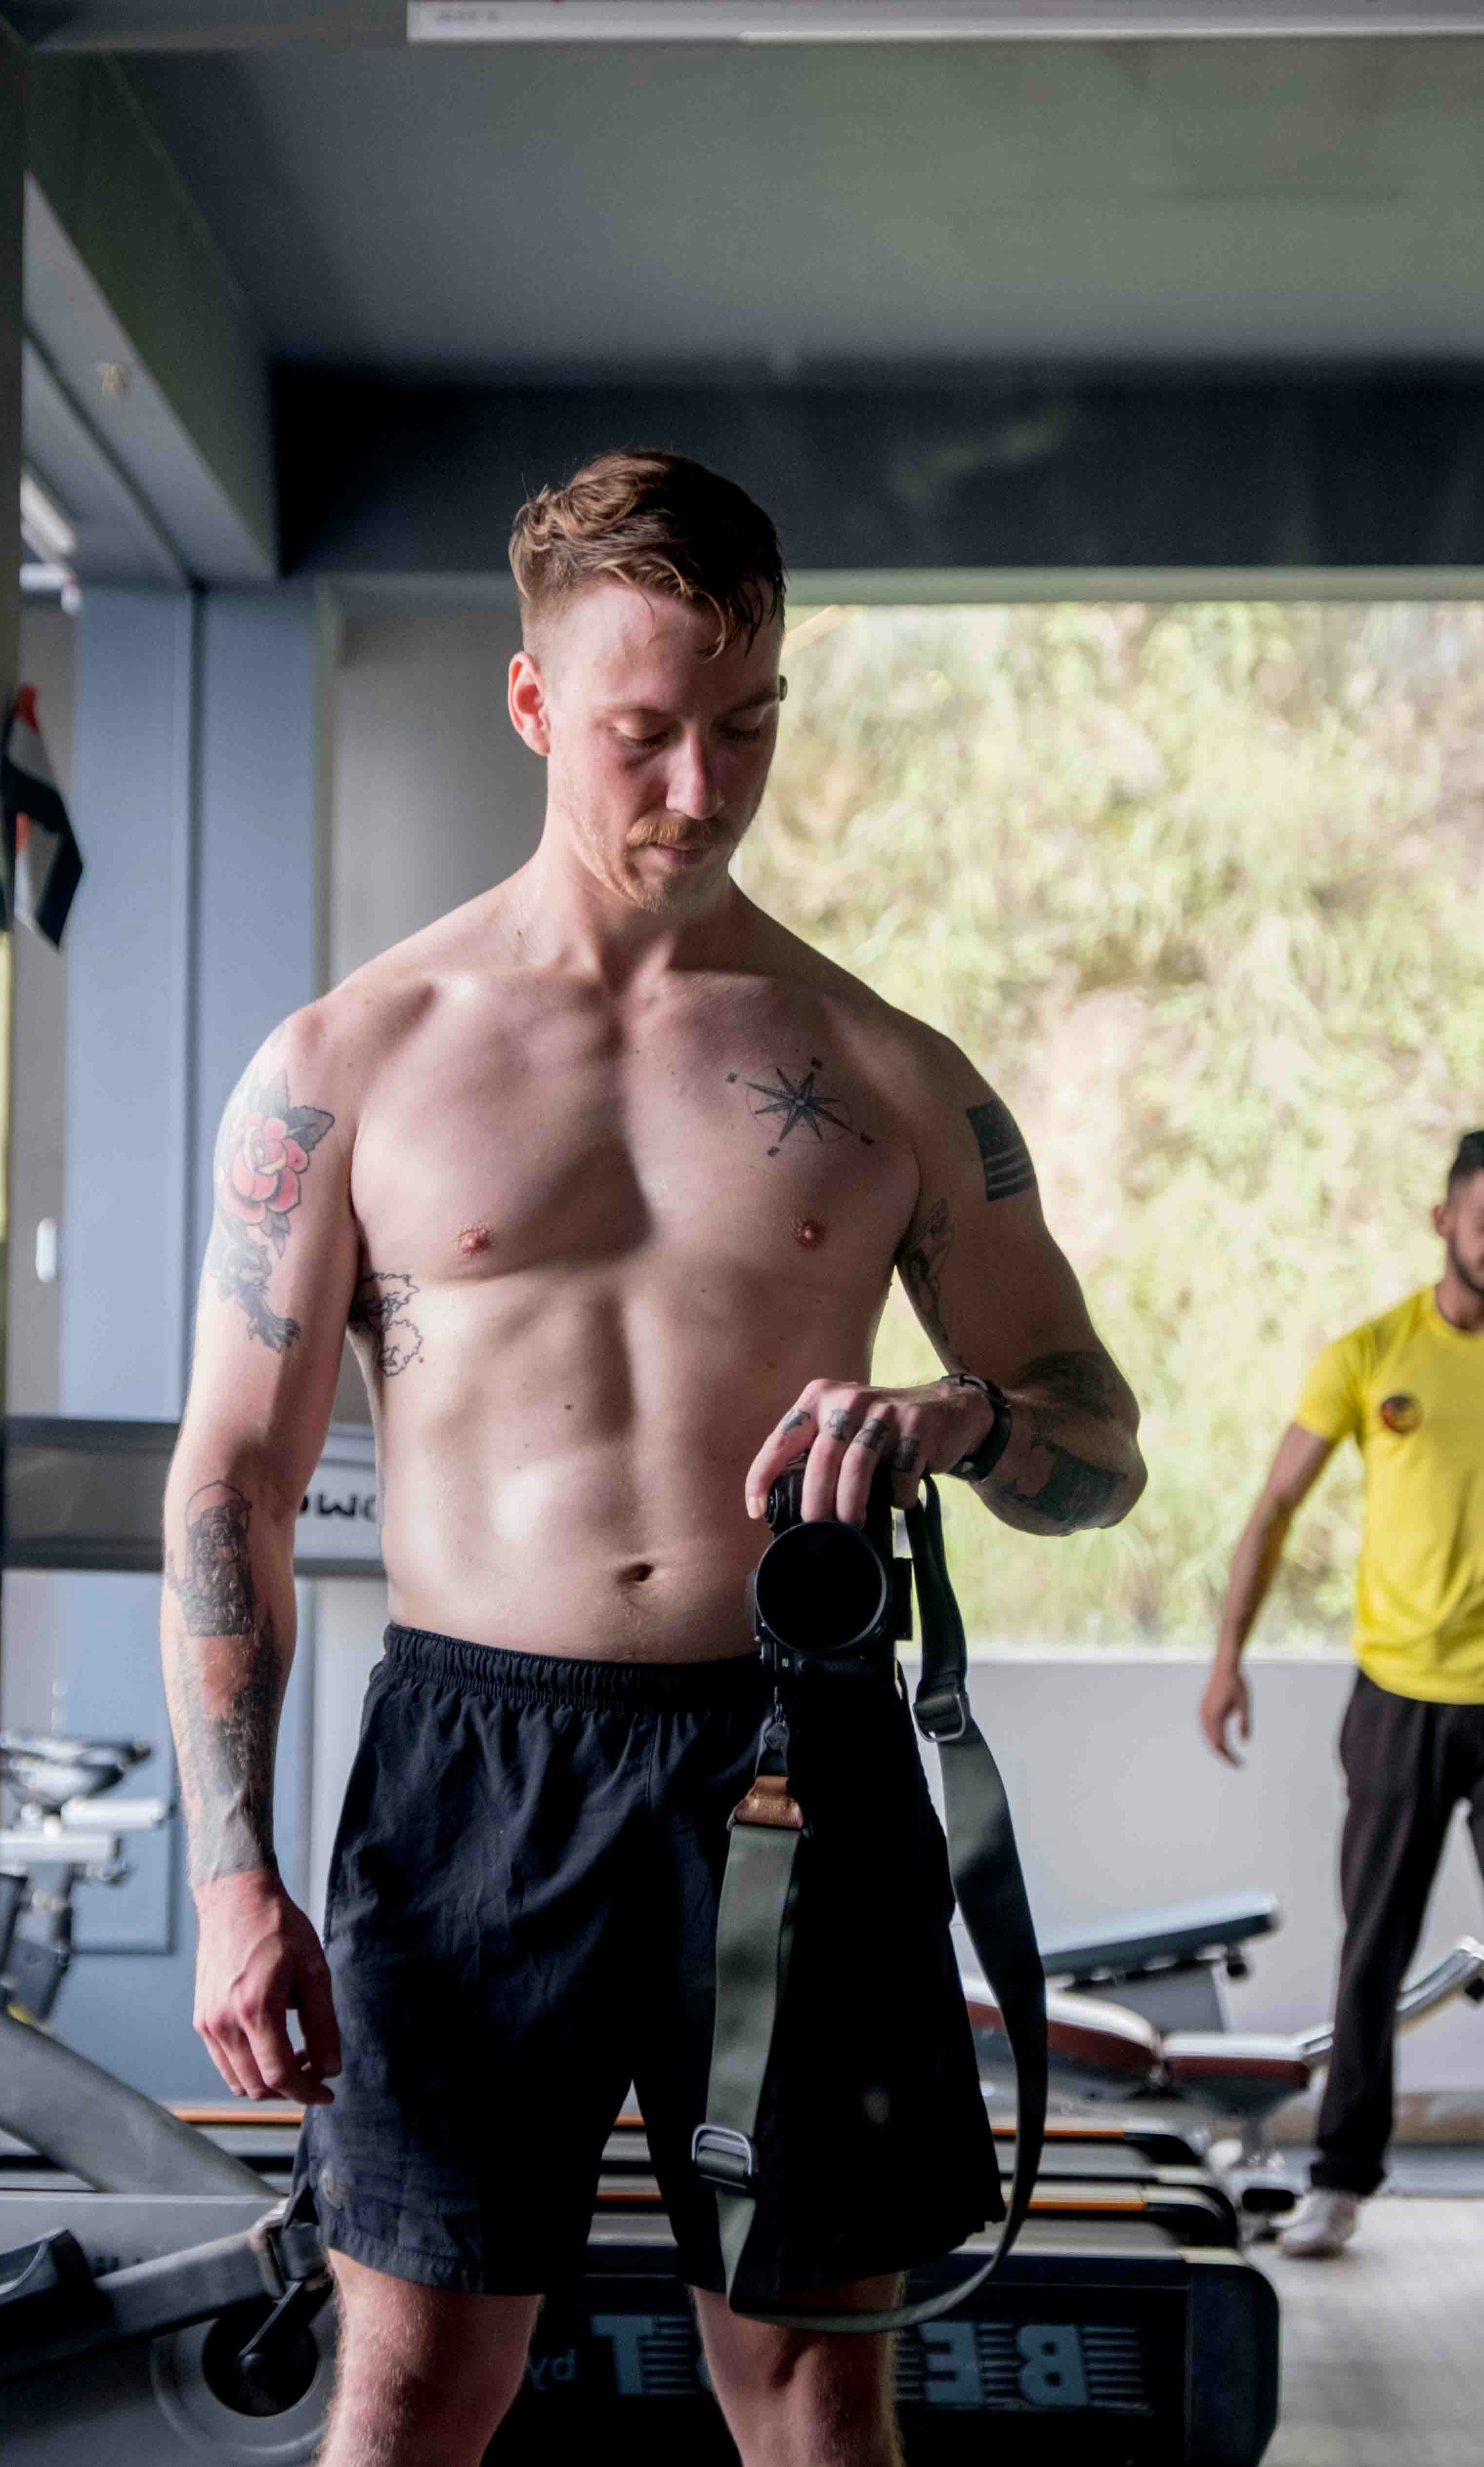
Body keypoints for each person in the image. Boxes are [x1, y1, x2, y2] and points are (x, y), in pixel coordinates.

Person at [160, 450, 1146, 2467]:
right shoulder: (350, 1062)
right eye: (643, 733)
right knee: (418, 2387)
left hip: (797, 1767)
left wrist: (955, 1418)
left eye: (746, 727)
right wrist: (230, 1870)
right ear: (530, 707)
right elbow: (228, 1491)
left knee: (806, 2386)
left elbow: (1097, 1447)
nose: (699, 786)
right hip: (469, 1775)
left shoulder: (886, 1073)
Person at [1200, 1131, 1484, 2259]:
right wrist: (1228, 1655)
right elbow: (1272, 1509)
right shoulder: (1371, 1354)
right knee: (1372, 1948)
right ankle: (1340, 2178)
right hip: (1397, 1698)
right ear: (1444, 1220)